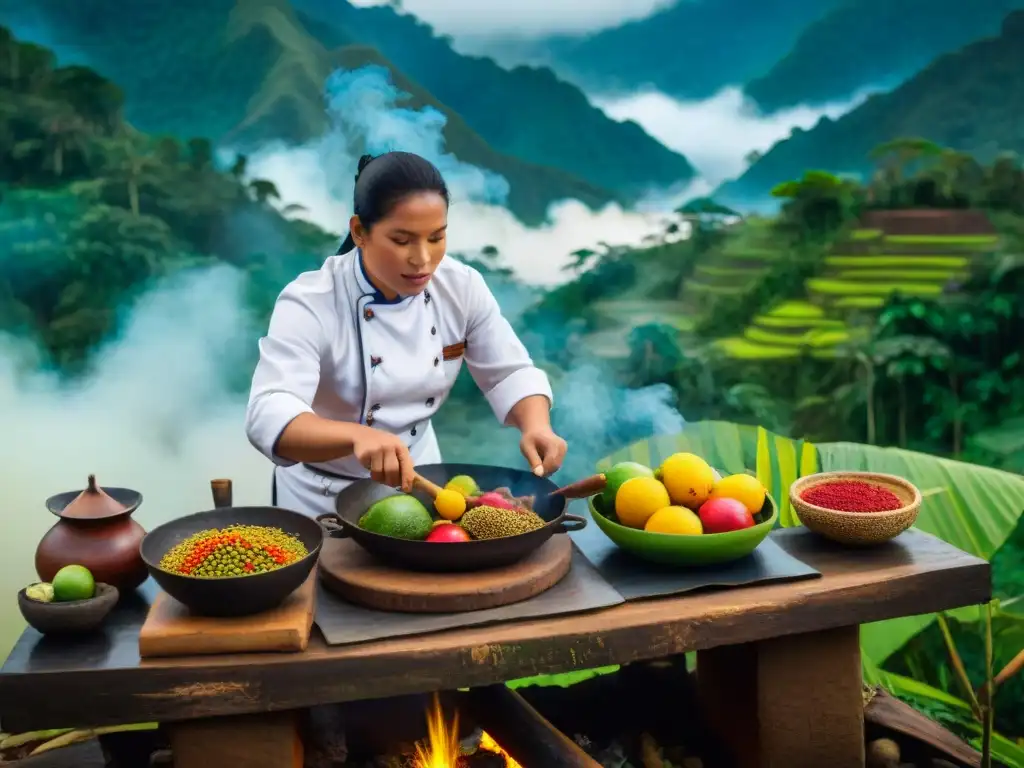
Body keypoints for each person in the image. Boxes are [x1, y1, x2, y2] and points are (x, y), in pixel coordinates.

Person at [245, 151, 567, 517]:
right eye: (402, 241)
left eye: (436, 237)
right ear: (359, 232)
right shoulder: (310, 303)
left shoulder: (461, 286)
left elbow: (509, 372)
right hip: (321, 498)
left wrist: (536, 425)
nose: (423, 259)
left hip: (421, 482)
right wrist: (357, 437)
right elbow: (268, 413)